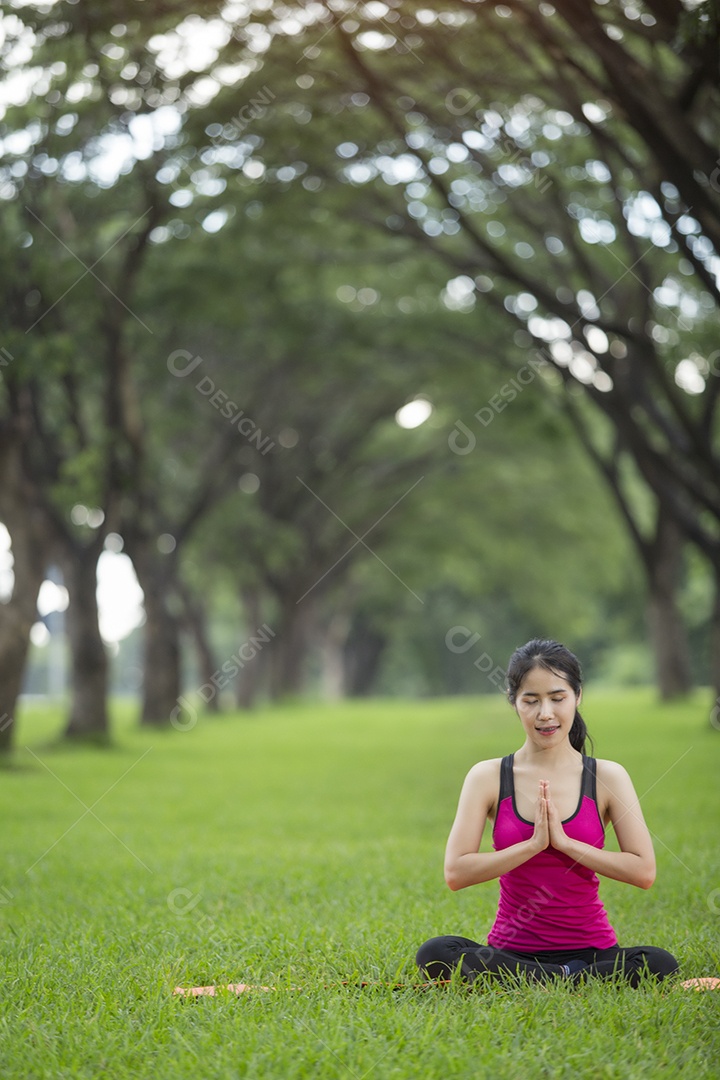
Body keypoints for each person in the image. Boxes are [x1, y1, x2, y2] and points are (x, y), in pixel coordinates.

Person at [416, 639, 679, 986]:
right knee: (435, 952)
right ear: (514, 702)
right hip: (511, 954)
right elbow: (456, 872)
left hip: (593, 952)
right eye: (531, 700)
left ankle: (549, 978)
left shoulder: (606, 776)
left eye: (557, 698)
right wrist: (532, 845)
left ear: (577, 696)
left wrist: (567, 845)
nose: (546, 714)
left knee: (659, 963)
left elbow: (643, 871)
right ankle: (569, 979)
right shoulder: (488, 776)